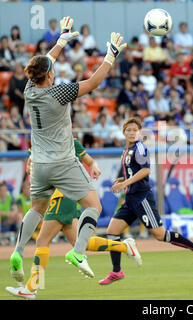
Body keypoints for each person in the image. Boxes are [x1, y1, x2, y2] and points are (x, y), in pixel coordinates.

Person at [5, 17, 127, 299]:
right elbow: (94, 82)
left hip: (39, 166)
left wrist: (60, 41)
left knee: (36, 209)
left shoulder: (29, 90)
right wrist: (110, 55)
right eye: (52, 71)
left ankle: (18, 251)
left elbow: (42, 63)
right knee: (93, 205)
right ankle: (78, 252)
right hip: (62, 163)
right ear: (49, 76)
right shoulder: (58, 92)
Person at [98, 117, 193, 285]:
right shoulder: (127, 149)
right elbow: (134, 172)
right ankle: (116, 271)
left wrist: (125, 183)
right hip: (131, 199)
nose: (132, 133)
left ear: (140, 133)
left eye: (135, 130)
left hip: (142, 198)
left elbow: (145, 170)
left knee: (160, 235)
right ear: (123, 132)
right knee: (112, 231)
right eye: (128, 130)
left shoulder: (140, 148)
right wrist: (122, 179)